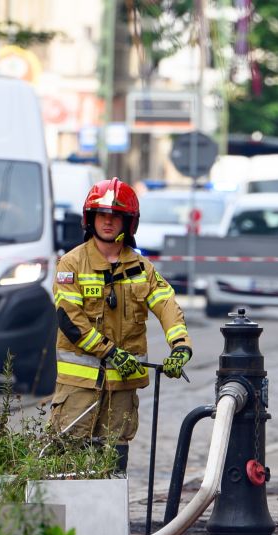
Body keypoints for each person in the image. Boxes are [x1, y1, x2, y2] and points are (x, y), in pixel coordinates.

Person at [49, 177, 193, 475]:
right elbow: (70, 320)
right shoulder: (71, 264)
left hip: (122, 387)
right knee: (68, 458)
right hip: (78, 387)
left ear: (129, 223)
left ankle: (109, 520)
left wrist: (180, 346)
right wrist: (110, 353)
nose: (108, 222)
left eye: (116, 216)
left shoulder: (141, 268)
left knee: (113, 459)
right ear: (90, 218)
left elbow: (166, 304)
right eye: (102, 215)